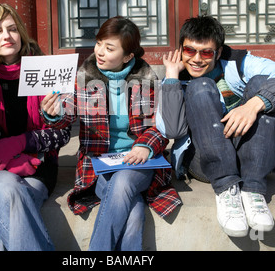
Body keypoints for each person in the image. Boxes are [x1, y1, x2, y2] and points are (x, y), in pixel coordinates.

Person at [157, 15, 275, 237]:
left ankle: (253, 189)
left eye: (206, 52)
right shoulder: (175, 79)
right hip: (204, 159)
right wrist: (171, 76)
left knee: (261, 83)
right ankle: (226, 188)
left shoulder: (238, 62)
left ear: (218, 52)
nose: (197, 59)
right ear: (181, 50)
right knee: (200, 86)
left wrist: (254, 105)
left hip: (246, 153)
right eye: (189, 51)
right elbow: (171, 130)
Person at [40, 16, 182, 250]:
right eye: (98, 43)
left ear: (128, 56)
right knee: (134, 208)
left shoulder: (146, 79)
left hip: (139, 161)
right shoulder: (85, 77)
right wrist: (55, 112)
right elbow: (68, 110)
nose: (100, 52)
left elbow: (162, 126)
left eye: (109, 48)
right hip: (99, 164)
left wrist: (144, 146)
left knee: (124, 180)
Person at [0, 3, 71, 251]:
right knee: (10, 192)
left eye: (12, 29)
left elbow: (63, 132)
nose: (7, 36)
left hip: (39, 167)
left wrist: (26, 139)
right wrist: (8, 155)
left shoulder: (44, 70)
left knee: (14, 201)